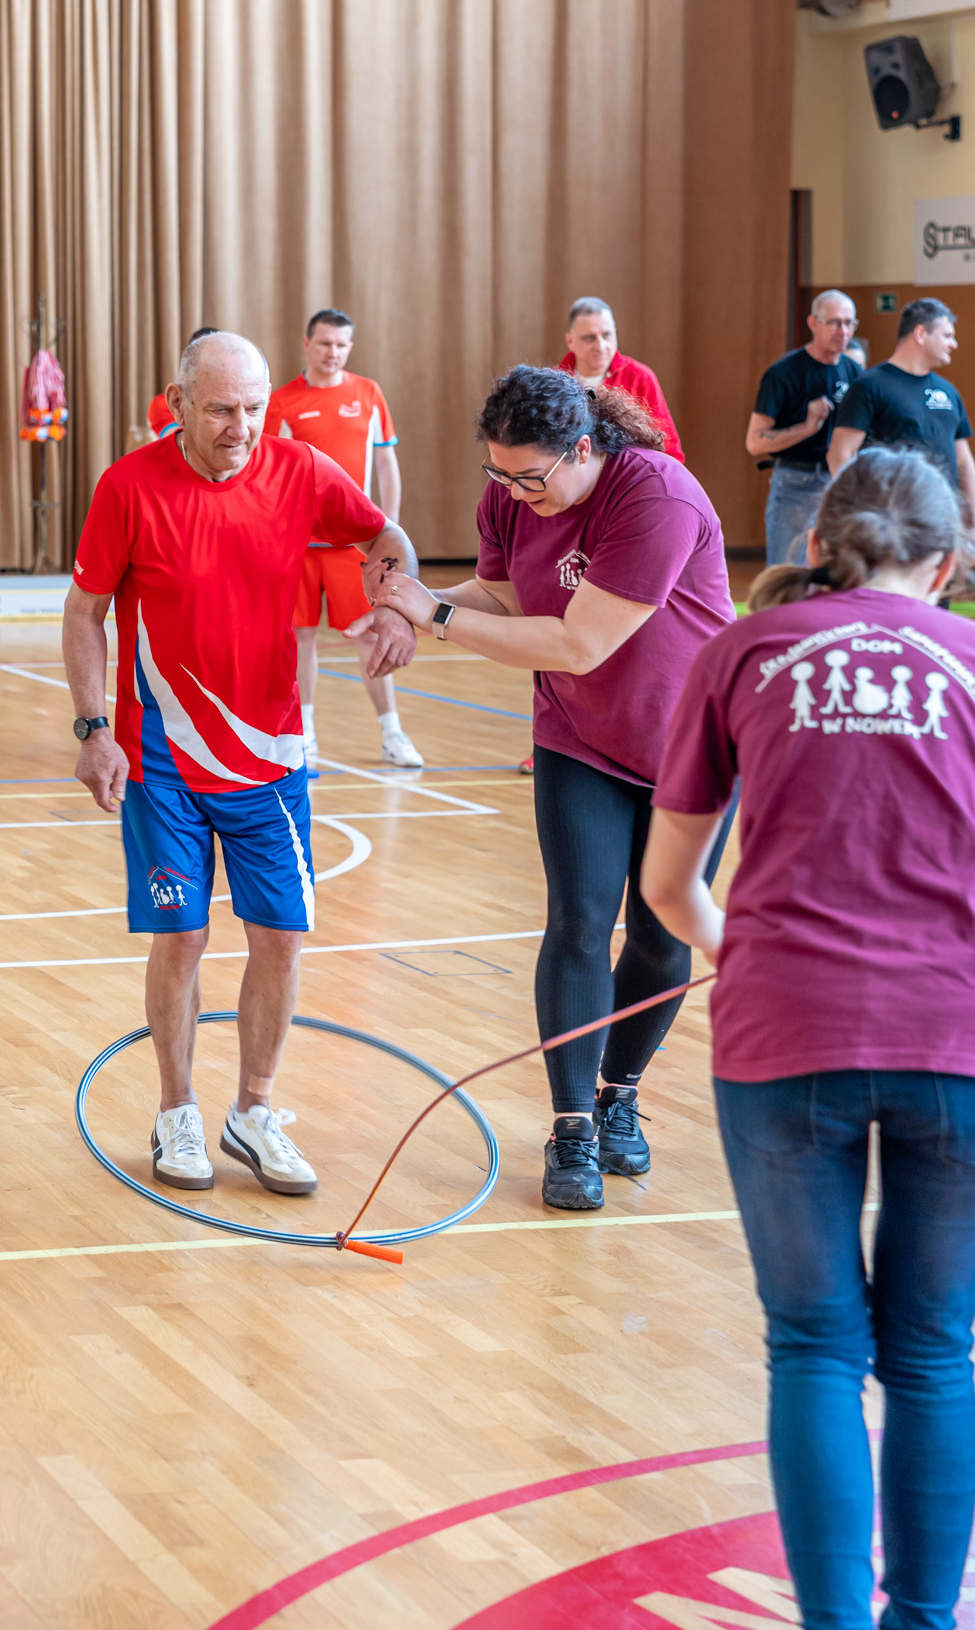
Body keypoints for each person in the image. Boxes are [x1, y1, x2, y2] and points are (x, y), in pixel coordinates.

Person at [642, 447, 975, 1630]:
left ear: (819, 542)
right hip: (955, 1039)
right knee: (933, 1351)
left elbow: (669, 885)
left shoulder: (743, 651)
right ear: (946, 565)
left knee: (816, 1347)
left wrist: (744, 953)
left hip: (783, 1033)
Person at [368, 364, 735, 1209]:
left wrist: (436, 617)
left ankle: (619, 1096)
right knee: (577, 922)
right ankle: (572, 1128)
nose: (512, 492)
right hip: (579, 736)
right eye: (498, 473)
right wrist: (406, 603)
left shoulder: (656, 497)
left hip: (692, 745)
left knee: (661, 935)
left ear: (583, 448)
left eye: (529, 477)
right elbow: (503, 597)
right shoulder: (511, 495)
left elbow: (578, 644)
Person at [63, 331, 419, 1195]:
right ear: (178, 404)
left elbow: (386, 535)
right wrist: (93, 728)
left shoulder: (300, 471)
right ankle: (177, 1110)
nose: (242, 426)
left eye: (254, 407)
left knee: (282, 936)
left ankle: (254, 1111)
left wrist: (398, 607)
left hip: (272, 758)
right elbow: (84, 612)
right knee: (183, 936)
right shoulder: (128, 487)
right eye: (222, 409)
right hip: (162, 760)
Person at [265, 307, 423, 768]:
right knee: (300, 639)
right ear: (307, 344)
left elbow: (387, 464)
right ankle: (305, 735)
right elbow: (269, 474)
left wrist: (389, 533)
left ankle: (391, 733)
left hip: (355, 546)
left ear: (349, 347)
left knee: (371, 636)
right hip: (298, 545)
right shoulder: (283, 402)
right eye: (324, 343)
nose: (332, 352)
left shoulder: (368, 394)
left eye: (340, 344)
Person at [828, 298, 975, 528]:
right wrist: (861, 509)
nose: (953, 344)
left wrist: (973, 518)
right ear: (920, 334)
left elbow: (964, 461)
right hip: (893, 520)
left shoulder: (948, 391)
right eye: (947, 336)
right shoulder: (869, 386)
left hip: (944, 517)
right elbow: (840, 454)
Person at [747, 289, 863, 564]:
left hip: (841, 481)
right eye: (835, 322)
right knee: (788, 572)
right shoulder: (784, 373)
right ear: (813, 323)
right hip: (795, 483)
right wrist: (807, 428)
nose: (843, 331)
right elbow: (755, 443)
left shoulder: (856, 374)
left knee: (840, 572)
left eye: (849, 323)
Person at [555, 296, 684, 461]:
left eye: (607, 335)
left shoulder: (640, 377)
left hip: (628, 473)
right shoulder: (553, 383)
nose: (600, 346)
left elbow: (669, 450)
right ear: (570, 341)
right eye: (589, 338)